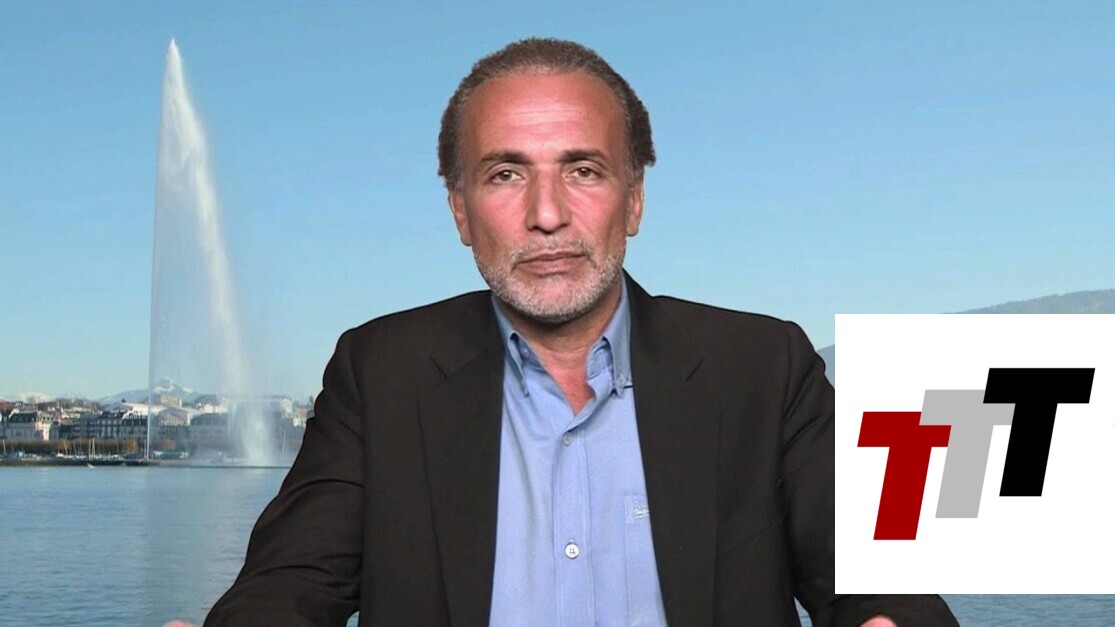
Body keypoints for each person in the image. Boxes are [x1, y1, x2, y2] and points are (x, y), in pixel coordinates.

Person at [205, 38, 957, 626]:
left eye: (584, 170)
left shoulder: (765, 365)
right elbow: (288, 583)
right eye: (505, 173)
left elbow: (879, 580)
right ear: (460, 211)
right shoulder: (379, 371)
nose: (547, 214)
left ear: (634, 200)